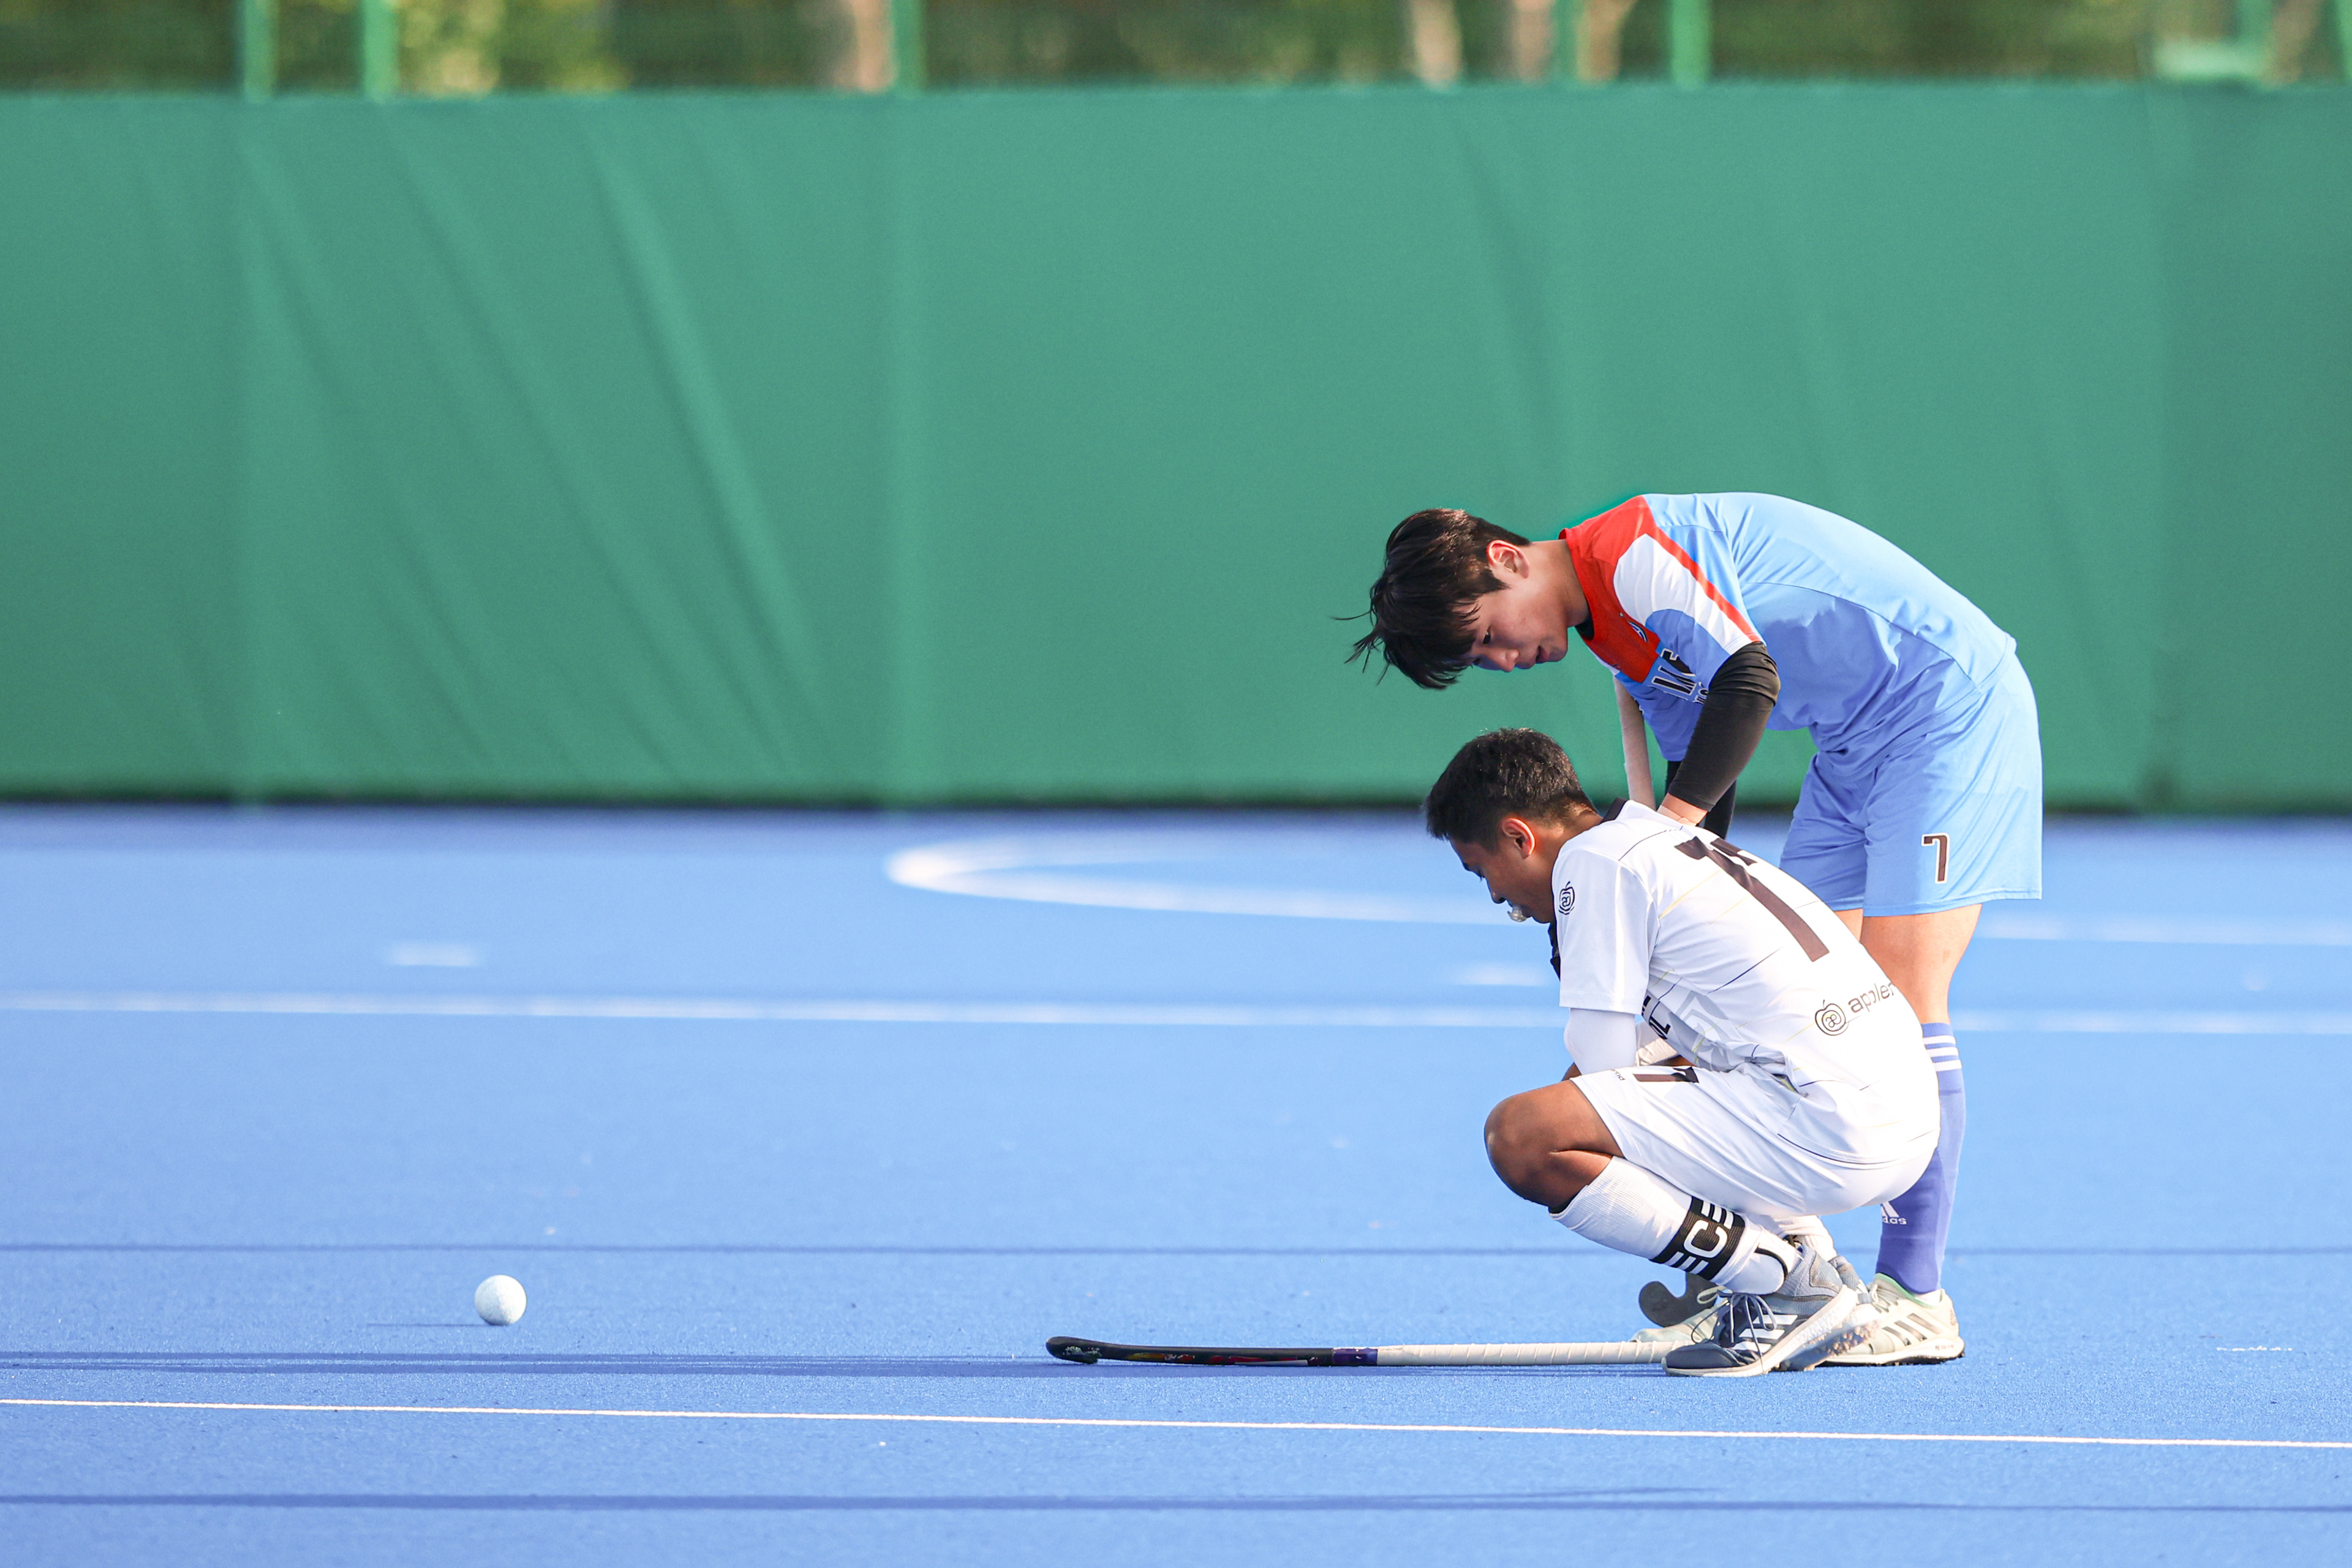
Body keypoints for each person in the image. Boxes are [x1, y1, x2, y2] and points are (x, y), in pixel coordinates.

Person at [1355, 493, 2039, 1363]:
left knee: (1899, 994)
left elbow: (1748, 682)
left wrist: (1635, 856)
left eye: (1489, 635)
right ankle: (1793, 1283)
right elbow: (1699, 795)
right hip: (1849, 745)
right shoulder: (1616, 637)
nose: (1505, 660)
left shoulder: (1631, 553)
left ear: (1507, 560)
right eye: (1483, 662)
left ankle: (1916, 1298)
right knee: (1810, 1005)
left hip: (1944, 707)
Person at [1428, 727, 1940, 1376]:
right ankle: (1814, 1266)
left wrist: (1576, 1159)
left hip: (1834, 1127)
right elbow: (1641, 1070)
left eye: (1483, 872)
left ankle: (1783, 1286)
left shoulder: (1592, 866)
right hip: (1896, 1117)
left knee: (1523, 1137)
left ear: (1519, 836)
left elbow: (1604, 1068)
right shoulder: (1657, 840)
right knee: (1646, 1094)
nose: (1498, 897)